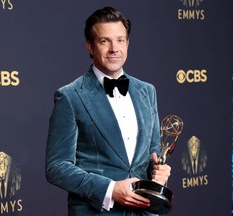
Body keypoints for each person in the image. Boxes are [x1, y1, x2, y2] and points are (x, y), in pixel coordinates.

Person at [45, 6, 171, 216]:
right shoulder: (70, 96)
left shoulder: (147, 91)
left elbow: (154, 152)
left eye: (120, 40)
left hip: (144, 211)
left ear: (127, 44)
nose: (114, 48)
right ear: (90, 46)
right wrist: (111, 189)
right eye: (105, 41)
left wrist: (160, 172)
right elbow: (57, 167)